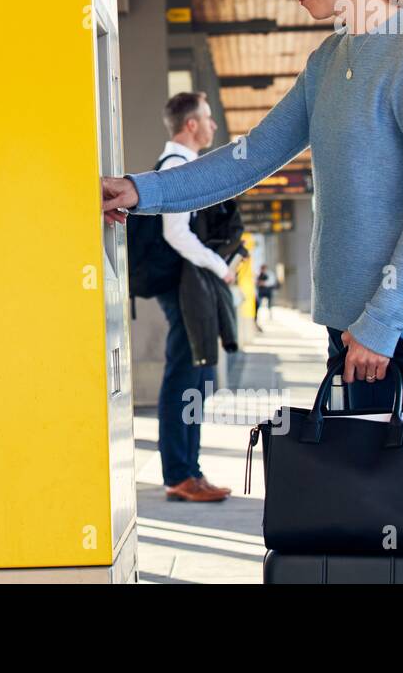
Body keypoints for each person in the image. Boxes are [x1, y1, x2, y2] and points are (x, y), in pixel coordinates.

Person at [103, 0, 403, 423]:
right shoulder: (328, 60)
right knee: (354, 505)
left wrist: (381, 325)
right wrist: (142, 190)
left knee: (389, 506)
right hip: (355, 332)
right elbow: (250, 157)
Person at [149, 91, 237, 502]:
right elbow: (175, 232)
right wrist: (220, 267)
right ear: (190, 125)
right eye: (207, 118)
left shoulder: (186, 165)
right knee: (184, 375)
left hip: (192, 285)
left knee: (196, 376)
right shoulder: (175, 167)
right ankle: (180, 475)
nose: (213, 125)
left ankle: (190, 471)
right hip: (183, 287)